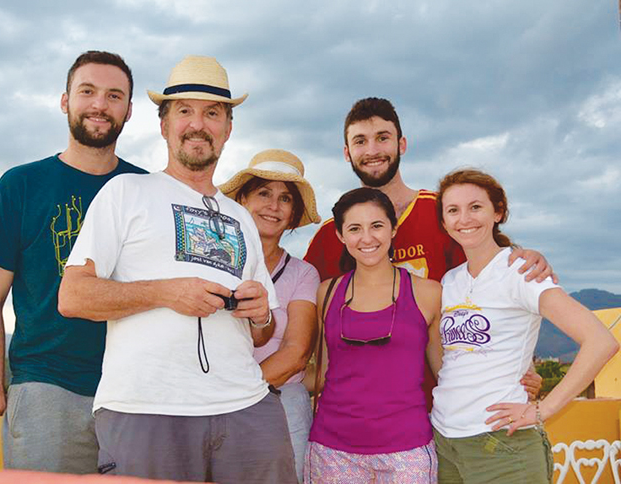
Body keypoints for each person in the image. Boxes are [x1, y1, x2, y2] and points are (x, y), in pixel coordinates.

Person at [58, 55, 298, 483]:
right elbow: (73, 297)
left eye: (212, 113)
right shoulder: (126, 191)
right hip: (146, 408)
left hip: (247, 405)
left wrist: (260, 312)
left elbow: (262, 332)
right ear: (164, 124)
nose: (197, 124)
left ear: (228, 128)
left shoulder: (241, 216)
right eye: (184, 111)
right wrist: (167, 292)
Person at [303, 97, 547, 408]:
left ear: (401, 144)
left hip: (448, 404)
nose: (373, 150)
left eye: (383, 138)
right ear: (347, 152)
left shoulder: (442, 214)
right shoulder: (330, 235)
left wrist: (523, 364)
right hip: (360, 409)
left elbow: (493, 288)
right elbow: (303, 320)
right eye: (360, 141)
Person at [0, 51, 146, 474]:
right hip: (47, 388)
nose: (99, 105)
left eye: (114, 95)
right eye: (87, 91)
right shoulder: (20, 185)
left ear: (128, 110)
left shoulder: (145, 190)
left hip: (135, 391)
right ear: (65, 100)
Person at [431, 169, 618, 483]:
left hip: (503, 443)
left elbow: (601, 341)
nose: (464, 218)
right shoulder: (450, 281)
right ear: (444, 221)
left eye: (475, 207)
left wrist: (543, 410)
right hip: (446, 441)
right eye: (453, 210)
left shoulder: (519, 270)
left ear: (498, 211)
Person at [307, 187, 443, 484]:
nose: (367, 238)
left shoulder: (428, 293)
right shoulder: (326, 293)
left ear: (393, 229)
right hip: (332, 449)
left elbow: (446, 372)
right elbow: (325, 370)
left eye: (377, 226)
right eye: (355, 228)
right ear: (341, 236)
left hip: (407, 449)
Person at [220, 149, 322, 482]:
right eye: (264, 193)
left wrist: (234, 392)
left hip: (279, 401)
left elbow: (296, 355)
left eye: (285, 199)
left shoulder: (303, 274)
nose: (273, 206)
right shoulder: (215, 261)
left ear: (293, 215)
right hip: (209, 403)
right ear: (243, 200)